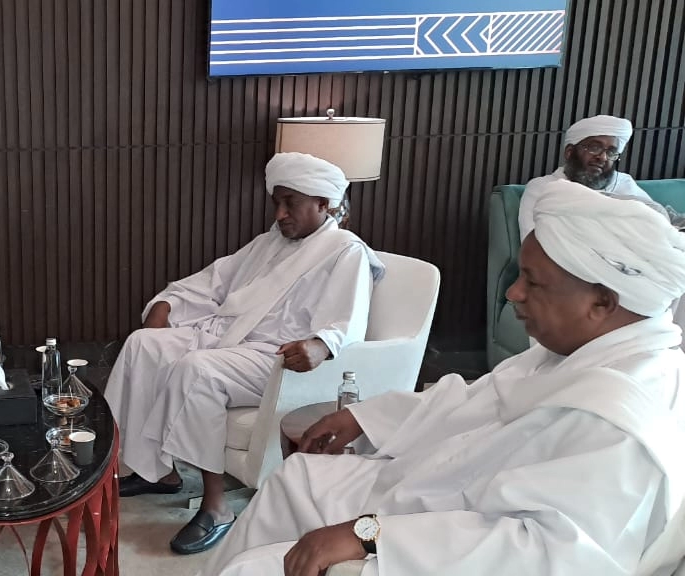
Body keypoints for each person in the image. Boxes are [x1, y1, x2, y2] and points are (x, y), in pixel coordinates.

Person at [204, 181, 685, 576]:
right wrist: (363, 417)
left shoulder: (618, 419)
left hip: (451, 546)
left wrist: (367, 534)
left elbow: (543, 553)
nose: (513, 294)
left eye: (533, 282)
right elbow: (471, 399)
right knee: (297, 478)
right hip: (443, 495)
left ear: (602, 301)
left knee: (252, 569)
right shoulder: (577, 353)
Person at [105, 152, 385, 555]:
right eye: (277, 202)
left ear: (323, 203)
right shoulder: (269, 243)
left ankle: (216, 508)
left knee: (198, 371)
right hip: (231, 337)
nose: (280, 214)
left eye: (290, 203)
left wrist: (320, 344)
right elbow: (213, 283)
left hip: (280, 358)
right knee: (142, 344)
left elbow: (348, 321)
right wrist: (168, 304)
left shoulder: (345, 251)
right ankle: (159, 472)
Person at [518, 114, 661, 237]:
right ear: (569, 152)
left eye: (611, 152)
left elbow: (657, 226)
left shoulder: (623, 184)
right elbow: (531, 242)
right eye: (594, 148)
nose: (603, 157)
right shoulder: (542, 188)